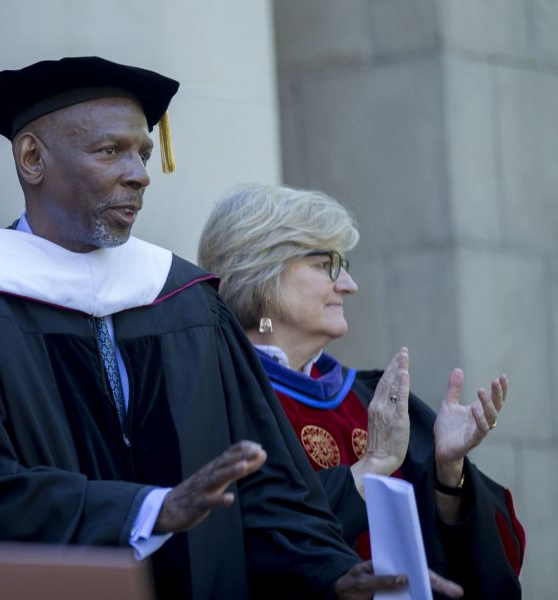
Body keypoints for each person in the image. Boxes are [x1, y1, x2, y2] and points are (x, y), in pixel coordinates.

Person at [0, 57, 462, 599]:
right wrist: (147, 511)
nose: (139, 175)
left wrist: (331, 571)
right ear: (32, 160)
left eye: (141, 152)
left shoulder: (186, 300)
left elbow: (269, 481)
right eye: (110, 151)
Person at [198, 182, 525, 599]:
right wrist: (371, 466)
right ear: (261, 274)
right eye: (325, 265)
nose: (349, 284)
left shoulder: (374, 400)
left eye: (343, 264)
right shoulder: (215, 401)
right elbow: (244, 547)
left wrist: (448, 474)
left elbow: (480, 565)